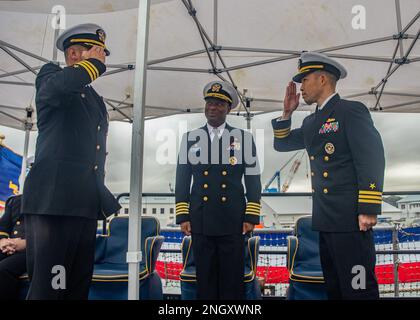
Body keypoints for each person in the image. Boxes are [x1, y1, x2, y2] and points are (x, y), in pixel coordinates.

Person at [272, 52, 385, 299]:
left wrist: (368, 207)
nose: (300, 88)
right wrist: (287, 113)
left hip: (351, 220)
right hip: (325, 219)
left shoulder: (350, 111)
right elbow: (282, 144)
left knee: (358, 288)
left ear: (322, 79)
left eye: (305, 80)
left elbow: (371, 157)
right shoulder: (313, 121)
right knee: (334, 287)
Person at [21, 23, 121, 300]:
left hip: (84, 202)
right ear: (75, 55)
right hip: (54, 202)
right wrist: (93, 67)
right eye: (96, 51)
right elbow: (53, 92)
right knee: (51, 287)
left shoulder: (93, 98)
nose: (102, 58)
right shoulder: (51, 76)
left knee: (76, 285)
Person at [175, 81, 262, 299]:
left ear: (228, 109)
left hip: (232, 219)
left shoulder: (243, 138)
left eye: (218, 104)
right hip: (201, 219)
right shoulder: (191, 138)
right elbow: (182, 178)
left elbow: (253, 179)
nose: (212, 107)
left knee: (232, 280)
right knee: (205, 279)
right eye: (209, 103)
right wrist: (183, 214)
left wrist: (251, 215)